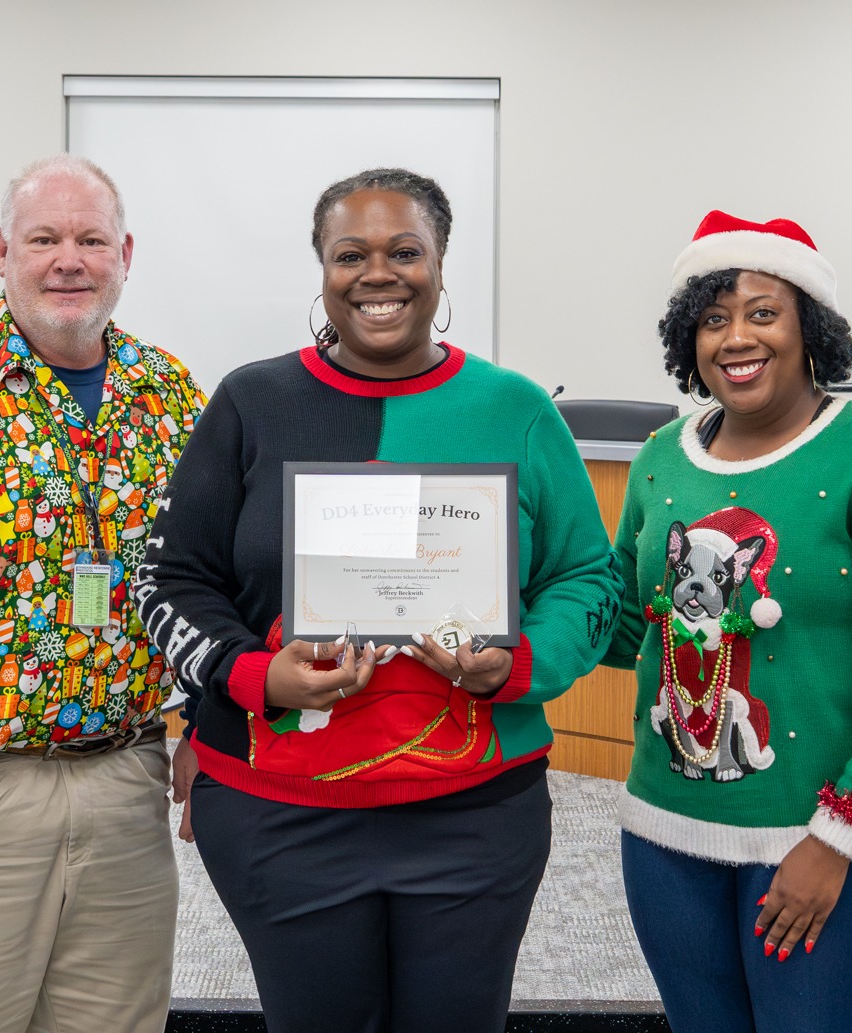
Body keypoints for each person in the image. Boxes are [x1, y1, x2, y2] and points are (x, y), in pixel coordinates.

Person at [132, 167, 623, 1033]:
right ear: (321, 269)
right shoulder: (252, 400)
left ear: (439, 263)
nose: (378, 274)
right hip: (280, 812)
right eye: (349, 253)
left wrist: (517, 663)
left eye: (405, 251)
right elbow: (172, 580)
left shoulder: (513, 408)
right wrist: (257, 676)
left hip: (475, 810)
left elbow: (585, 577)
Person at [0, 155, 205, 1033]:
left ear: (124, 252)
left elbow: (210, 579)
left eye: (91, 239)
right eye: (45, 238)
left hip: (126, 782)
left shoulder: (169, 395)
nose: (69, 259)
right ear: (2, 250)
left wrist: (210, 726)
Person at [605, 211, 852, 1033]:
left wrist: (834, 839)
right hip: (664, 834)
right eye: (711, 317)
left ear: (811, 328)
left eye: (762, 312)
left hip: (824, 843)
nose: (735, 337)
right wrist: (504, 594)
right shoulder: (663, 453)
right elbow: (631, 629)